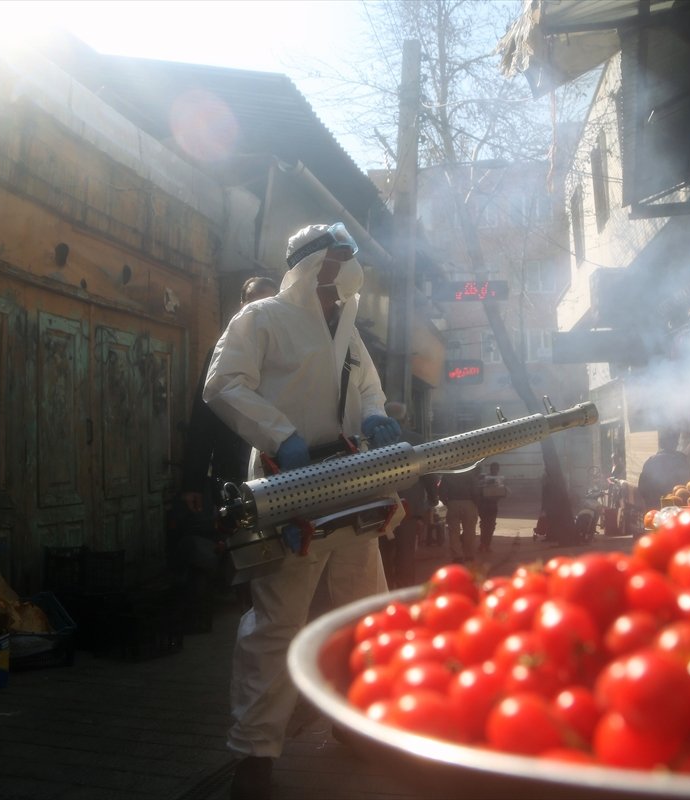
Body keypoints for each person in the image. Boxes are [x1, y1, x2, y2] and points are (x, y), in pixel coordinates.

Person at [203, 222, 403, 800]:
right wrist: (278, 433)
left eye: (348, 263)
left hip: (349, 480)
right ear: (310, 264)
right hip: (286, 483)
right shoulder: (260, 319)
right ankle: (255, 753)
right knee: (277, 622)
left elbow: (367, 386)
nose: (340, 274)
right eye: (332, 262)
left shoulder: (347, 325)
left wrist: (374, 416)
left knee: (363, 611)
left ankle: (355, 718)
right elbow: (222, 384)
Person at [173, 276, 278, 611]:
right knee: (236, 534)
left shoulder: (285, 353)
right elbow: (203, 418)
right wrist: (191, 482)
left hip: (276, 464)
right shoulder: (222, 352)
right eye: (254, 302)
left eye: (268, 302)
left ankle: (263, 592)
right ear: (243, 305)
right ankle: (242, 596)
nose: (260, 310)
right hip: (232, 467)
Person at [377, 401, 437, 588]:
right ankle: (403, 596)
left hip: (380, 510)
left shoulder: (373, 440)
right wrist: (433, 498)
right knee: (406, 555)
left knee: (383, 555)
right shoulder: (416, 440)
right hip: (407, 509)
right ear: (406, 420)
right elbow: (428, 473)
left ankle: (385, 595)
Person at [637, 427, 690, 512]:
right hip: (678, 511)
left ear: (660, 443)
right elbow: (689, 485)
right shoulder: (682, 460)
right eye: (676, 440)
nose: (677, 442)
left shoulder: (650, 462)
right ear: (674, 443)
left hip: (655, 510)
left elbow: (642, 489)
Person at [438, 465, 480, 563]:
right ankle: (469, 555)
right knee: (469, 531)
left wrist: (447, 503)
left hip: (453, 503)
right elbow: (475, 491)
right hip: (469, 503)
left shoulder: (447, 475)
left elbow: (441, 492)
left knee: (453, 532)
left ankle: (457, 556)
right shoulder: (470, 474)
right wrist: (476, 503)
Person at [477, 461, 508, 554]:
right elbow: (480, 490)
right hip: (484, 505)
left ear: (498, 470)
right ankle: (483, 544)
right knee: (485, 525)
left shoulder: (499, 480)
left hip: (492, 505)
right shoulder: (484, 479)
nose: (494, 470)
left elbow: (504, 492)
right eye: (493, 468)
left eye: (496, 469)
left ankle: (486, 545)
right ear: (491, 469)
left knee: (490, 526)